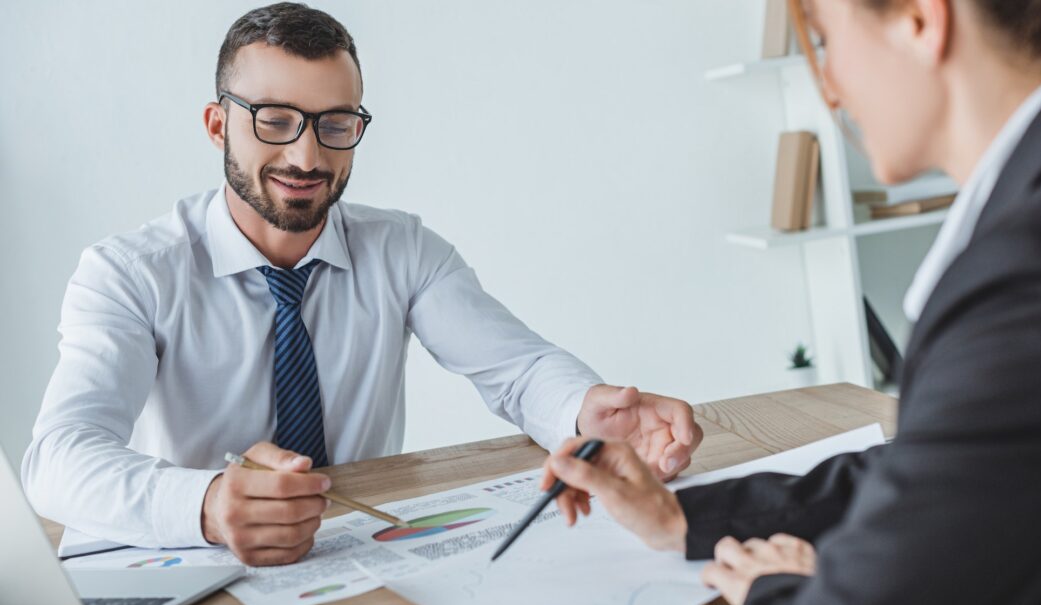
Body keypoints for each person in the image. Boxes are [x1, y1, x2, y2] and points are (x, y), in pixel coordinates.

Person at [21, 3, 703, 567]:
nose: (307, 155)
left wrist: (587, 412)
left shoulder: (403, 249)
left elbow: (519, 371)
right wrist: (206, 503)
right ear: (218, 123)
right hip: (201, 564)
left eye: (335, 124)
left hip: (364, 559)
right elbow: (58, 458)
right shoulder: (129, 272)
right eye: (275, 120)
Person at [545, 0, 1041, 605]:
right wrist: (688, 519)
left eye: (825, 40)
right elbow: (932, 469)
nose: (828, 85)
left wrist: (776, 593)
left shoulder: (1033, 268)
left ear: (919, 18)